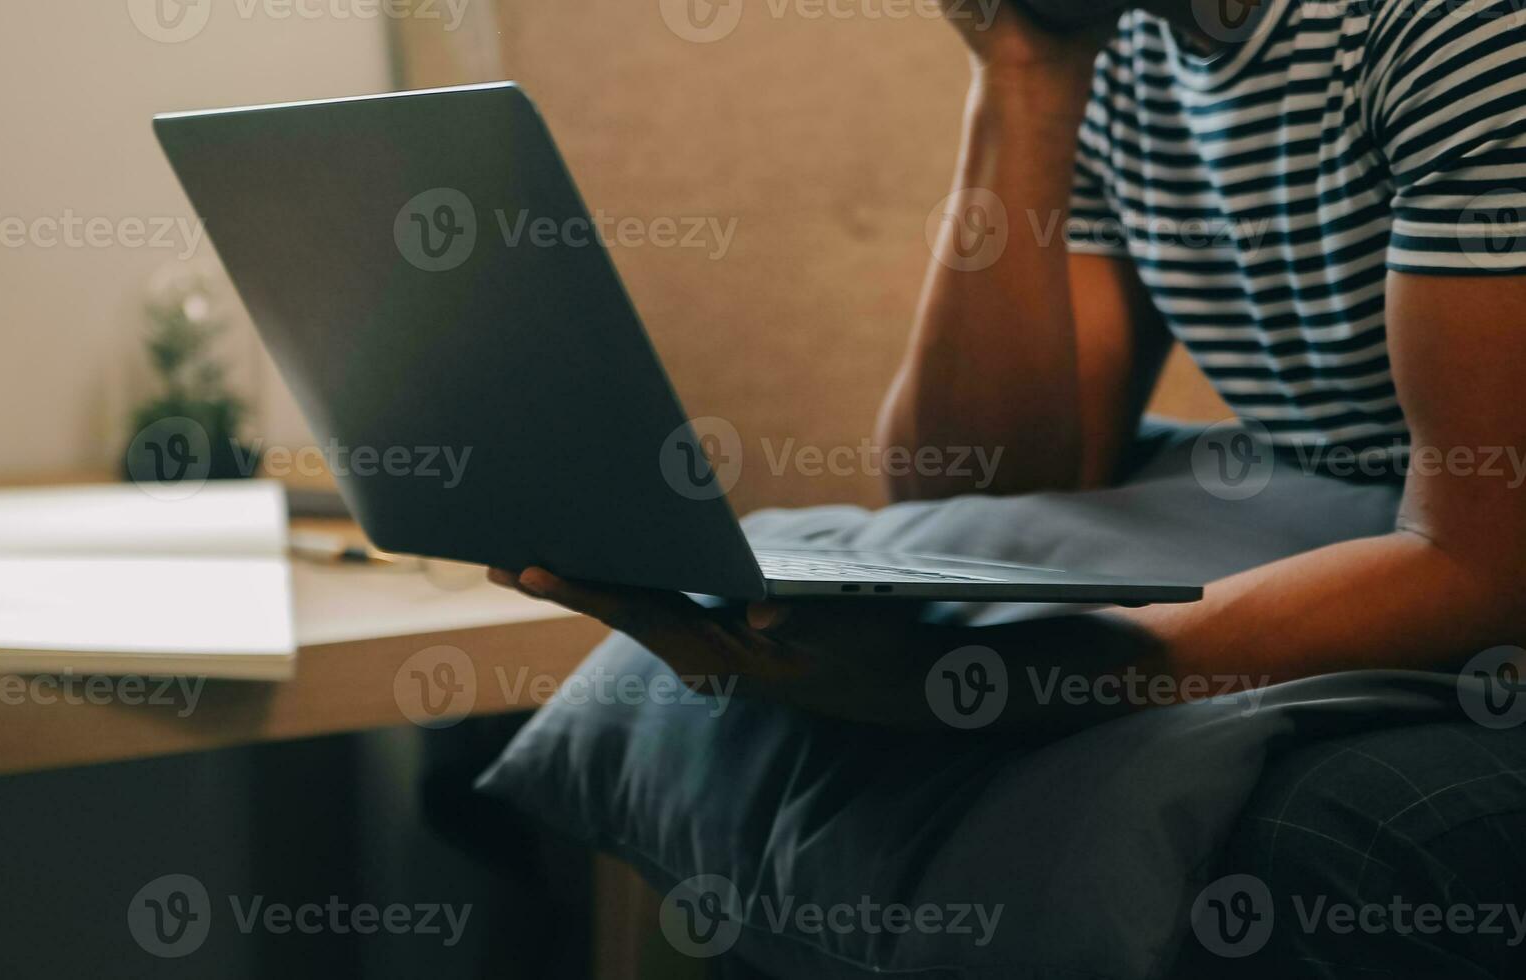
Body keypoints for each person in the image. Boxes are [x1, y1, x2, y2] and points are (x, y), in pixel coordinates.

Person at [492, 0, 1526, 973]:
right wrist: (1026, 79)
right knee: (727, 642)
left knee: (1284, 827)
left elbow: (1481, 563)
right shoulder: (1126, 45)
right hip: (1326, 501)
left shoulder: (1452, 32)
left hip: (1462, 550)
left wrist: (1018, 678)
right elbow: (988, 476)